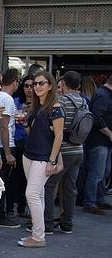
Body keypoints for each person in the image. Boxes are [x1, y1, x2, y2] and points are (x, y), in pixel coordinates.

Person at [19, 71, 64, 248]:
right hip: (29, 155)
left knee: (31, 194)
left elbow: (59, 136)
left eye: (41, 83)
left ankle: (38, 237)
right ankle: (38, 233)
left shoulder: (55, 108)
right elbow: (36, 132)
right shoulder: (37, 107)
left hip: (43, 158)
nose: (37, 87)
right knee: (38, 194)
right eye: (35, 83)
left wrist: (53, 160)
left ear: (50, 85)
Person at [43, 71, 86, 234]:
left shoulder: (60, 101)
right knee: (70, 187)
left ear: (64, 84)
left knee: (50, 185)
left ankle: (46, 224)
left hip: (63, 150)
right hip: (78, 149)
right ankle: (67, 223)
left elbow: (55, 127)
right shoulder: (83, 102)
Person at [0, 68, 21, 229]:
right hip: (4, 146)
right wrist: (8, 153)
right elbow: (4, 126)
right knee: (3, 183)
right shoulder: (7, 99)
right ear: (15, 82)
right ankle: (0, 215)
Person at [83, 74, 112, 215]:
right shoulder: (102, 95)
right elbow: (97, 118)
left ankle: (99, 199)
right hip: (99, 141)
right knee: (97, 172)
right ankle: (90, 202)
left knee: (103, 171)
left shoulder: (104, 94)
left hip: (104, 141)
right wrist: (109, 133)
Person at [9, 76, 33, 219]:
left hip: (32, 144)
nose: (30, 89)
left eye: (32, 85)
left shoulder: (39, 104)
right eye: (27, 86)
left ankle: (23, 208)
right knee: (14, 177)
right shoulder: (15, 102)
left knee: (27, 178)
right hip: (17, 141)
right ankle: (11, 208)